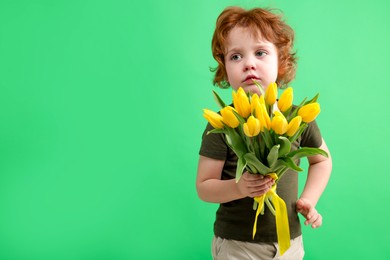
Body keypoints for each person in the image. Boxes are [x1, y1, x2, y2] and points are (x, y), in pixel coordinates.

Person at [196, 6, 332, 260]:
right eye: (235, 57)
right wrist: (240, 187)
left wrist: (308, 199)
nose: (248, 64)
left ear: (281, 62)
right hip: (237, 244)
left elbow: (322, 159)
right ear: (224, 68)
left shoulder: (298, 117)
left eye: (260, 53)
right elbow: (204, 187)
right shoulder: (224, 122)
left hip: (288, 241)